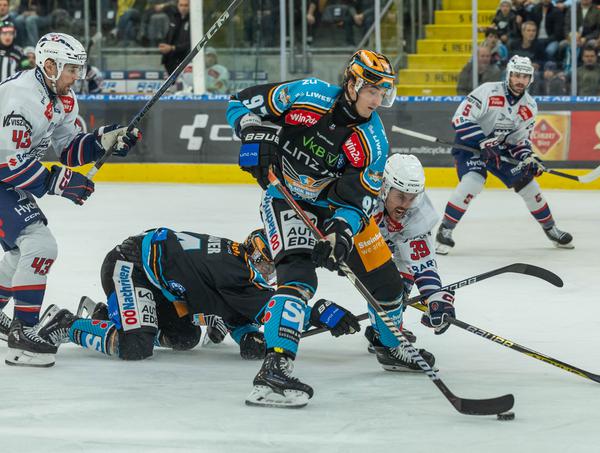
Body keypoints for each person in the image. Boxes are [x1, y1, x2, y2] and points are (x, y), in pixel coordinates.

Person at [227, 49, 436, 408]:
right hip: (285, 198)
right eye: (372, 90)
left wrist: (340, 233)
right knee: (298, 278)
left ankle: (389, 345)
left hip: (332, 209)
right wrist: (252, 136)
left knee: (386, 282)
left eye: (383, 91)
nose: (378, 98)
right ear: (352, 84)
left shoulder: (374, 142)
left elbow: (358, 202)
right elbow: (238, 104)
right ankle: (274, 368)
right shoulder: (307, 95)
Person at [0, 32, 141, 367]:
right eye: (71, 69)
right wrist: (58, 182)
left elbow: (68, 149)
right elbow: (7, 162)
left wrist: (104, 140)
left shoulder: (62, 98)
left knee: (22, 250)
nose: (77, 76)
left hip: (5, 179)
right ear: (49, 65)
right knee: (39, 246)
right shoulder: (18, 97)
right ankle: (23, 336)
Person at [36, 228, 360, 362]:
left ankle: (104, 316)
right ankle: (66, 323)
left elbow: (233, 307)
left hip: (156, 282)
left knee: (185, 337)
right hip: (131, 267)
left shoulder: (237, 265)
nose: (271, 275)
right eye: (269, 265)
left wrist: (246, 334)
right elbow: (271, 309)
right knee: (136, 346)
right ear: (258, 256)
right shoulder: (239, 272)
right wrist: (319, 312)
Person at [435, 55, 574, 255]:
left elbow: (519, 140)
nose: (520, 80)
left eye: (525, 77)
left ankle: (551, 229)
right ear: (508, 74)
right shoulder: (487, 91)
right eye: (517, 75)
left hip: (500, 150)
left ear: (531, 79)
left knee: (528, 184)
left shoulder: (529, 105)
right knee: (473, 181)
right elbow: (460, 118)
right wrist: (482, 142)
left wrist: (528, 157)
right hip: (471, 146)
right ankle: (445, 229)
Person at [363, 154, 456, 351]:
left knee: (399, 286)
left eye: (412, 197)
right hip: (357, 243)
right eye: (401, 197)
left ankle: (387, 329)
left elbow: (420, 261)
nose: (406, 205)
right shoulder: (365, 200)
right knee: (385, 283)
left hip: (389, 242)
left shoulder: (418, 211)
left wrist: (433, 296)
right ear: (384, 188)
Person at [159, 0, 190, 75]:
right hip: (171, 61)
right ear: (177, 6)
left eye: (186, 5)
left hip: (186, 60)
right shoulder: (174, 18)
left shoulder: (193, 20)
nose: (183, 8)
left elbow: (192, 43)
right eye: (181, 5)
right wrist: (164, 45)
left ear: (190, 7)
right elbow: (168, 34)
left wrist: (172, 48)